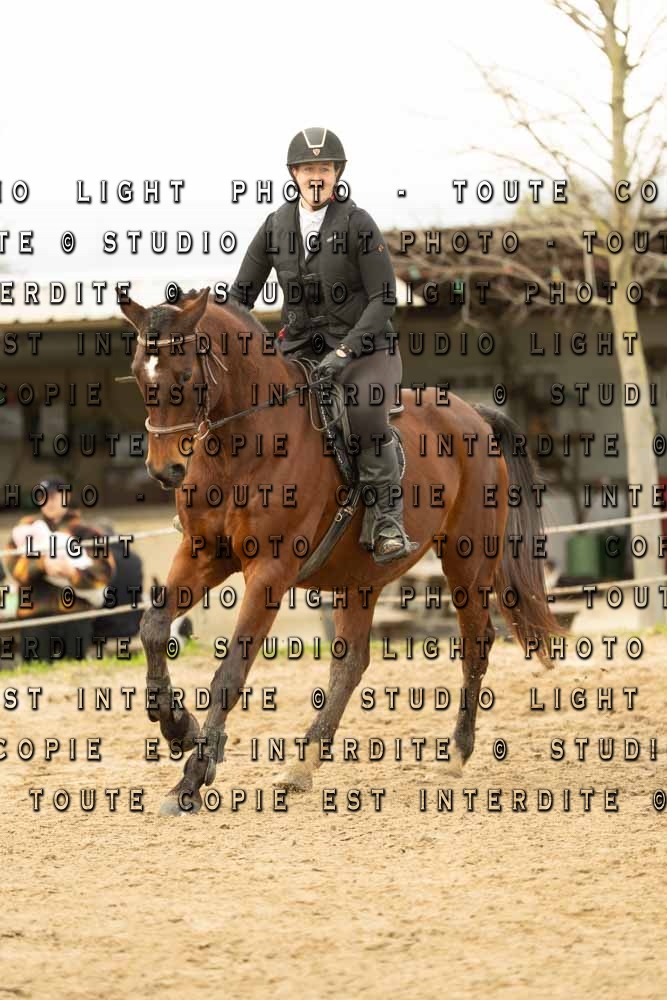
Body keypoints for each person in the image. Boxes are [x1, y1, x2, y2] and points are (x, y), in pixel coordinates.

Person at [228, 127, 418, 564]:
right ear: (294, 174)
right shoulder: (275, 227)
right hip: (299, 350)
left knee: (364, 411)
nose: (317, 176)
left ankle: (387, 520)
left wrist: (345, 351)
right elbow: (240, 298)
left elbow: (383, 298)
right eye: (309, 168)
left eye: (325, 169)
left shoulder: (357, 223)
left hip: (366, 350)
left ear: (337, 175)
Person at [4, 477, 115, 662]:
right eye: (43, 497)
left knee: (74, 673)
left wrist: (73, 573)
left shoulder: (86, 532)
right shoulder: (25, 530)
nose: (48, 502)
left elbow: (105, 570)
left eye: (53, 497)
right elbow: (11, 565)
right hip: (36, 616)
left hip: (76, 614)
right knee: (36, 673)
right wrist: (42, 565)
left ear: (66, 496)